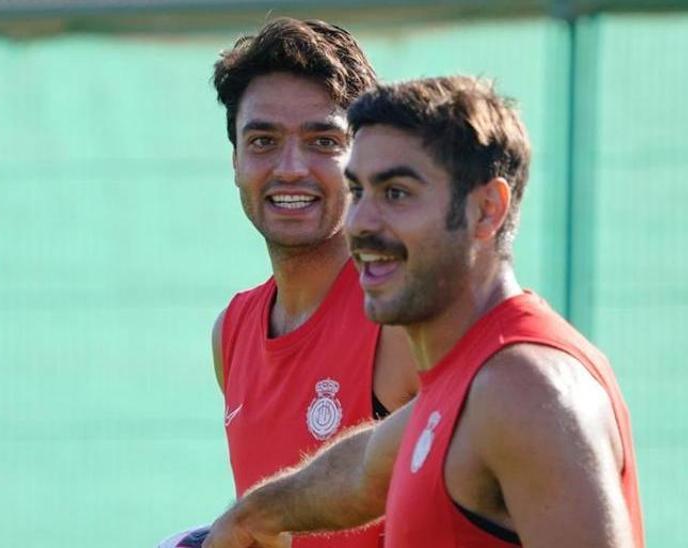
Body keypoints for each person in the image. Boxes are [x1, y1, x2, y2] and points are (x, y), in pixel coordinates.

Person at [205, 76, 644, 547]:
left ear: (487, 210)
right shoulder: (464, 377)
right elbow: (362, 472)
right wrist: (250, 516)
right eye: (360, 191)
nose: (362, 223)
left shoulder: (525, 385)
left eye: (396, 193)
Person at [208, 17, 420, 547]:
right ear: (235, 158)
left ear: (362, 158)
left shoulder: (404, 312)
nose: (291, 168)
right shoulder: (231, 332)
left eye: (323, 140)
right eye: (263, 140)